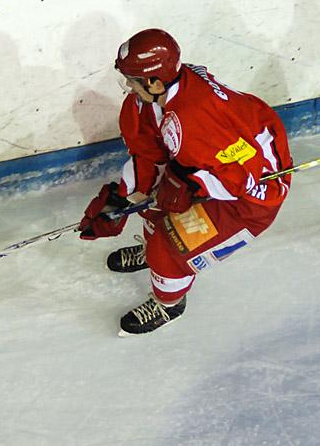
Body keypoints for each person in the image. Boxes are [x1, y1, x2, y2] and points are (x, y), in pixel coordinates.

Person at [78, 28, 293, 336]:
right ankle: (151, 248)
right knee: (153, 205)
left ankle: (169, 304)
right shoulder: (158, 98)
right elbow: (149, 158)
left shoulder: (197, 122)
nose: (128, 87)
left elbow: (243, 177)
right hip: (211, 164)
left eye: (133, 80)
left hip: (251, 197)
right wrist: (120, 199)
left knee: (169, 249)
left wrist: (192, 184)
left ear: (154, 81)